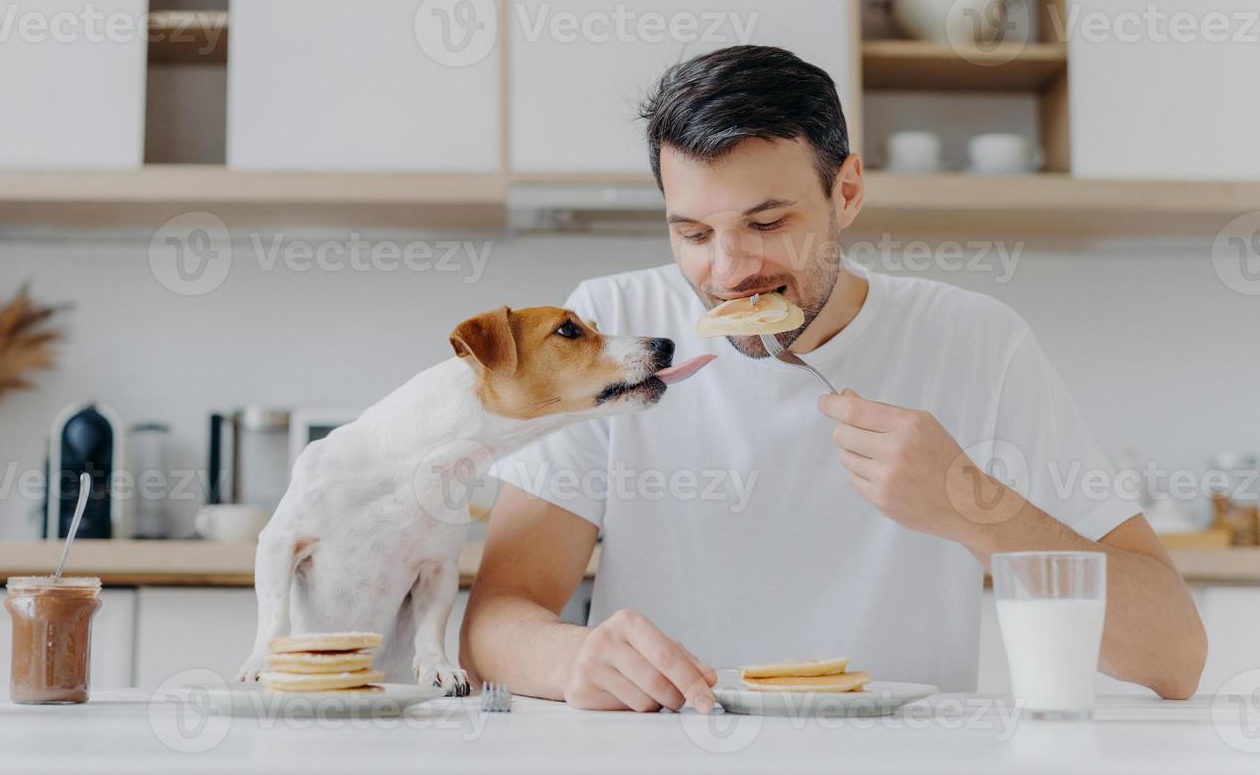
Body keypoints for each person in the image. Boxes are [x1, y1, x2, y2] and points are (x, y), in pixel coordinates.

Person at [459, 45, 1206, 713]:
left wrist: (971, 507)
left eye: (767, 223)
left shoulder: (976, 342)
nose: (728, 272)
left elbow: (1174, 656)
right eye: (693, 233)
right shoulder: (609, 328)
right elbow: (495, 623)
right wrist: (573, 659)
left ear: (846, 192)